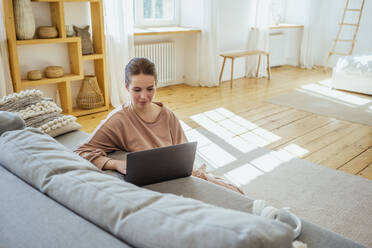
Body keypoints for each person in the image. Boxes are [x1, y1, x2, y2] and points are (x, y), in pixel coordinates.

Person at [74, 57, 243, 194]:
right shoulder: (118, 120)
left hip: (179, 175)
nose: (144, 97)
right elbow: (81, 151)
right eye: (137, 89)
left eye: (150, 89)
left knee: (234, 192)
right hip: (158, 186)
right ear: (127, 87)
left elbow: (184, 154)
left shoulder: (167, 115)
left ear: (156, 85)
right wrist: (116, 164)